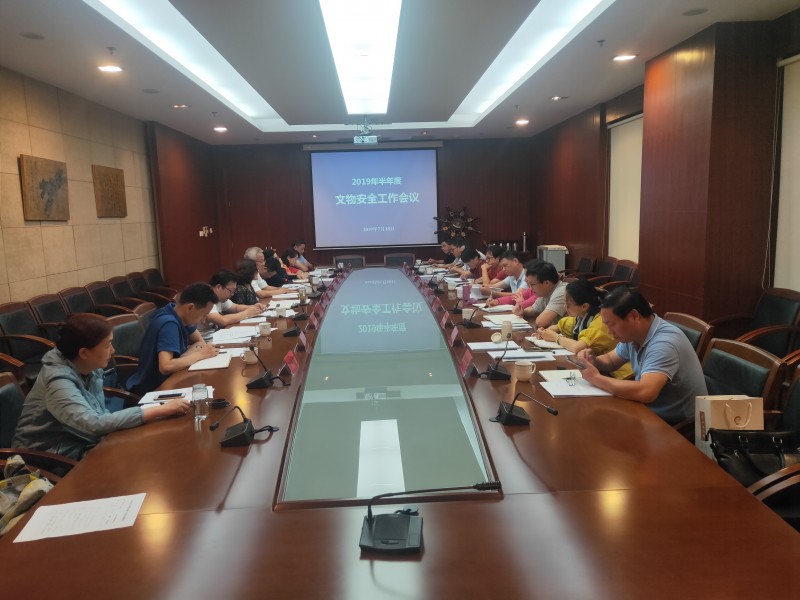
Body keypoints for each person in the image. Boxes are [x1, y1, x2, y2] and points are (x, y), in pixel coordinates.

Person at [12, 314, 191, 459]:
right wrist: (159, 409)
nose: (113, 351)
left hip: (79, 440)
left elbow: (98, 414)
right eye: (107, 345)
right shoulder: (58, 382)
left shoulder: (87, 366)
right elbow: (94, 424)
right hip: (44, 457)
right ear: (84, 352)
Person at [576, 287, 707, 425]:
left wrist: (596, 378)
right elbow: (610, 361)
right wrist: (593, 360)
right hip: (647, 410)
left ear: (634, 316)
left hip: (677, 424)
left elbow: (646, 392)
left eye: (612, 324)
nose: (609, 332)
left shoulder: (664, 343)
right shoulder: (634, 334)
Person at [126, 283, 219, 395]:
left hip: (172, 377)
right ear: (190, 307)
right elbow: (166, 366)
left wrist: (185, 357)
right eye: (203, 315)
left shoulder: (176, 311)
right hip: (154, 389)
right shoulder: (169, 324)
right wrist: (200, 355)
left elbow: (200, 342)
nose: (204, 320)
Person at [535, 279, 632, 378]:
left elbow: (578, 347)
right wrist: (545, 332)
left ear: (584, 306)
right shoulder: (582, 317)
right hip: (603, 370)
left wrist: (556, 338)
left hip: (620, 376)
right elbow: (560, 325)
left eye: (567, 304)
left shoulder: (601, 322)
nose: (565, 306)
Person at [197, 270, 265, 340]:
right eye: (231, 291)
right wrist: (247, 313)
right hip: (206, 340)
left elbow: (236, 307)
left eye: (234, 291)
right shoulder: (206, 299)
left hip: (216, 336)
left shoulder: (220, 298)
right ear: (218, 287)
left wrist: (253, 307)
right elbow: (222, 321)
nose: (232, 294)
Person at [515, 261, 567, 327]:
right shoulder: (545, 291)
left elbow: (540, 322)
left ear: (547, 283)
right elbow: (534, 310)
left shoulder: (562, 292)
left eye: (532, 284)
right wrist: (523, 312)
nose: (530, 288)